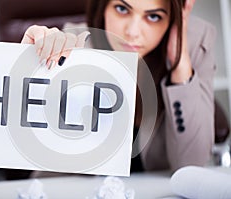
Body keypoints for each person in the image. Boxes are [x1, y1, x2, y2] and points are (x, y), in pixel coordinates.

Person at [21, 0, 216, 172]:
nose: (132, 32)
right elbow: (33, 148)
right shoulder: (74, 45)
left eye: (154, 16)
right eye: (122, 9)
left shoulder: (195, 44)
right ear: (102, 6)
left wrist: (179, 63)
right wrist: (26, 65)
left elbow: (193, 165)